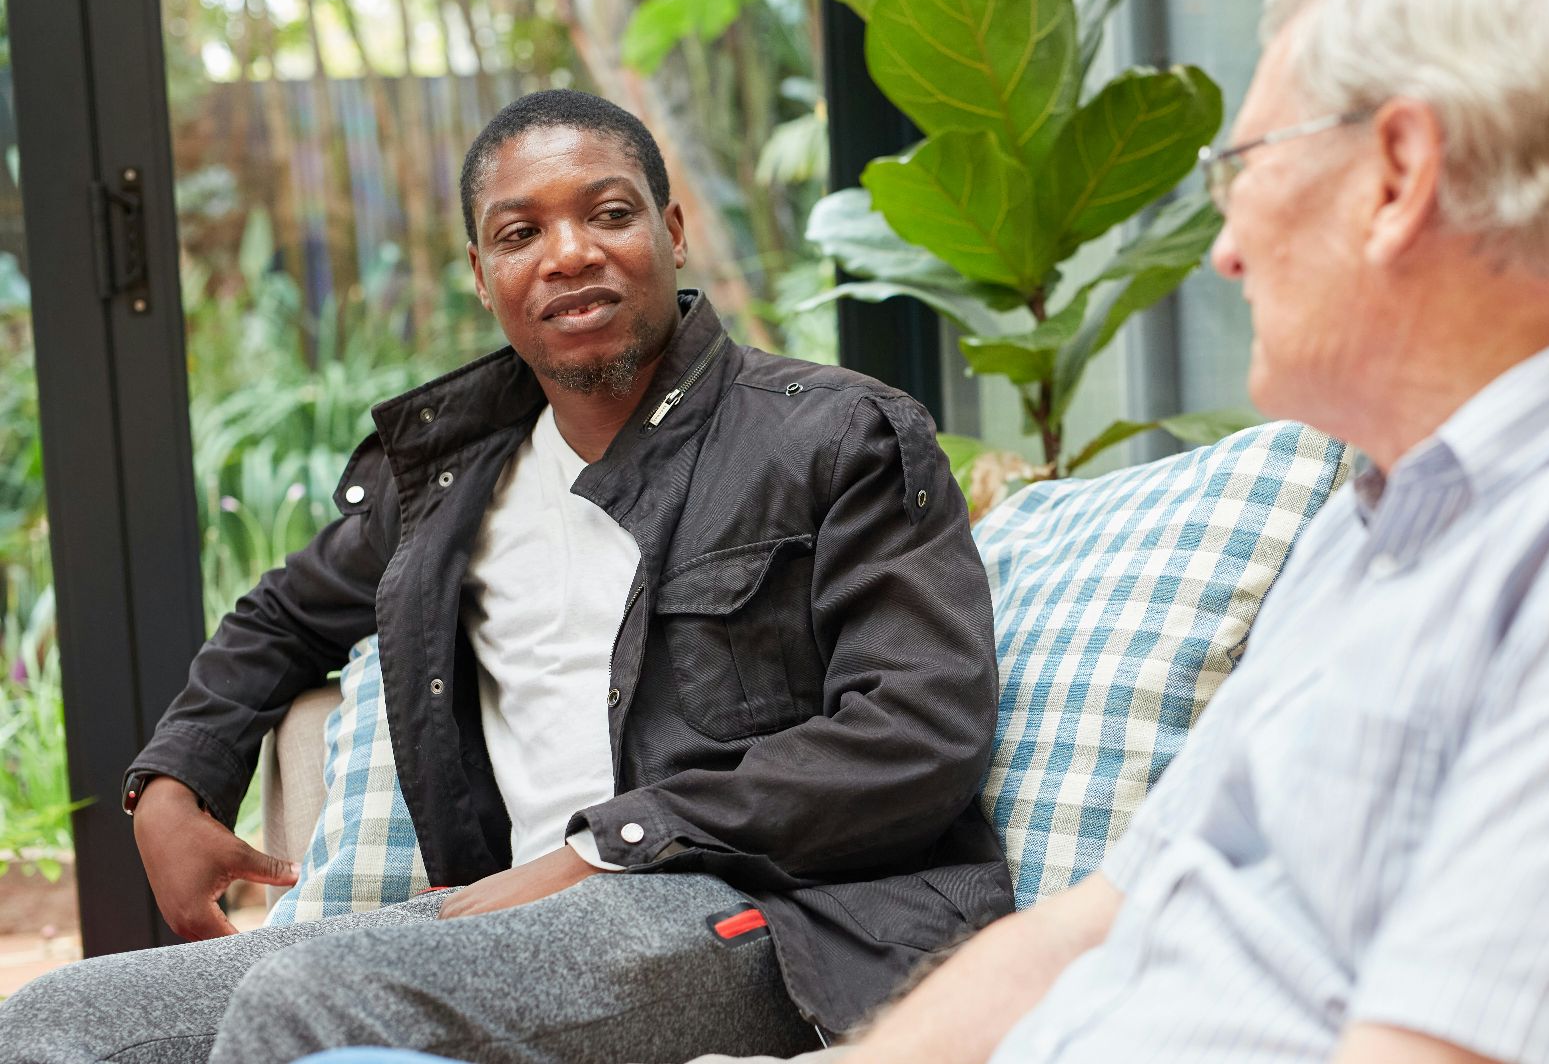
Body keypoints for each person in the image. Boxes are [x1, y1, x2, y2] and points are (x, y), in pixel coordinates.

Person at [738, 0, 1549, 1062]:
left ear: (1398, 172)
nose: (1228, 249)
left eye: (1239, 166)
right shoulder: (1376, 528)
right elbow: (1094, 926)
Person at [0, 88, 1010, 1064]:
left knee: (327, 998)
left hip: (779, 915)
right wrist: (174, 778)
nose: (569, 253)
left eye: (608, 214)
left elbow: (919, 729)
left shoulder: (834, 436)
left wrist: (605, 846)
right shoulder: (454, 484)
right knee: (60, 1019)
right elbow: (281, 617)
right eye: (520, 234)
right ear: (482, 276)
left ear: (671, 230)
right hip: (502, 928)